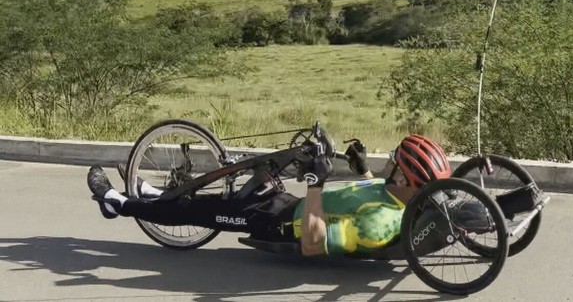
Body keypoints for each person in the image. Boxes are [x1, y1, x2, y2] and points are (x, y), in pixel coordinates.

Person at [86, 134, 452, 257]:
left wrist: (314, 183)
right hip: (288, 205)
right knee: (231, 181)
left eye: (395, 163)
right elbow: (363, 194)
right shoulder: (393, 194)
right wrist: (361, 169)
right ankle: (154, 193)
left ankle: (117, 204)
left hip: (278, 224)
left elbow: (313, 243)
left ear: (406, 178)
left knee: (195, 211)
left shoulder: (380, 223)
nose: (389, 164)